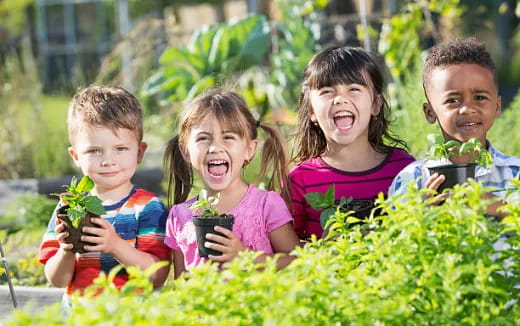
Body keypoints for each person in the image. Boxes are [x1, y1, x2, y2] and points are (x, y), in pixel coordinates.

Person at [39, 86, 171, 306]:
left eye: (120, 148)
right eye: (94, 151)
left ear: (139, 152)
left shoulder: (148, 207)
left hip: (130, 317)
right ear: (75, 156)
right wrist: (66, 249)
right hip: (79, 317)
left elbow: (156, 276)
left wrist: (114, 245)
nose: (108, 160)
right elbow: (57, 280)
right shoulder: (70, 206)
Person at [163, 90, 299, 278]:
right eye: (203, 138)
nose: (215, 147)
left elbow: (297, 262)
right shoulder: (179, 216)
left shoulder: (266, 205)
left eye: (228, 137)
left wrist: (246, 257)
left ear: (249, 150)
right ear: (186, 151)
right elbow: (181, 282)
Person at [290, 46, 415, 239]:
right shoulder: (299, 181)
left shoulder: (404, 169)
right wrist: (325, 249)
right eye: (327, 91)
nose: (340, 99)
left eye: (354, 89)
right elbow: (288, 255)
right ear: (311, 111)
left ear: (375, 105)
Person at [389, 37, 520, 217]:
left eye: (480, 98)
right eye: (453, 100)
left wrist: (501, 209)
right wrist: (422, 216)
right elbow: (393, 240)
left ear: (497, 106)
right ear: (430, 112)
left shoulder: (515, 173)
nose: (467, 109)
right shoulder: (411, 180)